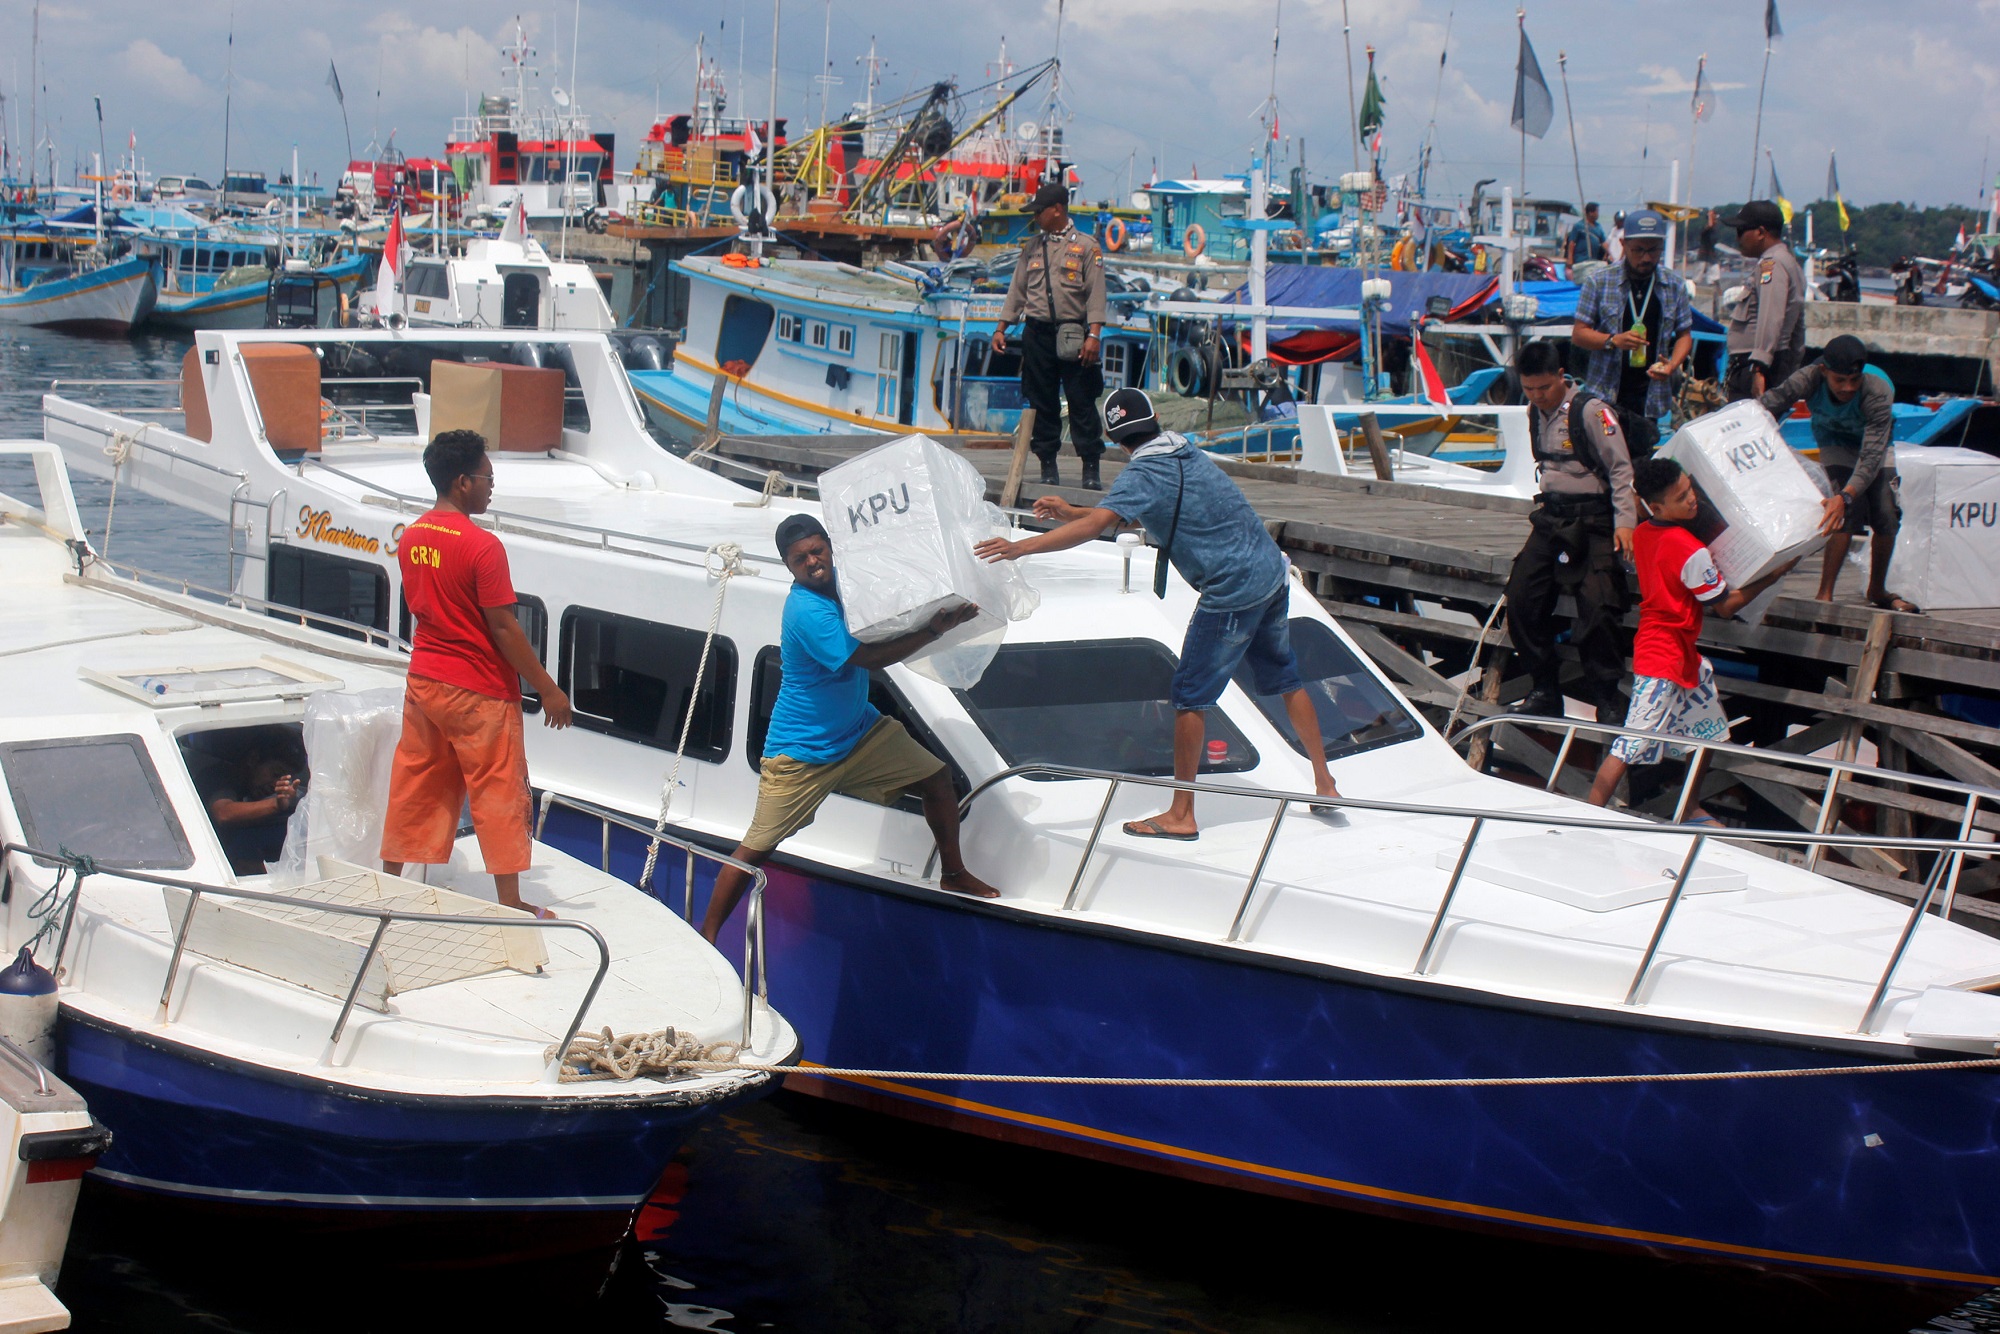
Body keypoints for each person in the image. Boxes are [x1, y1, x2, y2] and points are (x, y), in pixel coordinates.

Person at [975, 388, 1343, 840]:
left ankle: (1182, 814)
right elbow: (1138, 510)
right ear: (1154, 420)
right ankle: (1325, 784)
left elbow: (1098, 526)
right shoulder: (1185, 452)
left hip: (1231, 590)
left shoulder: (1142, 471)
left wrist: (1020, 547)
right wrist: (1071, 511)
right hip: (1269, 572)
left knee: (1190, 696)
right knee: (1285, 679)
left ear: (1112, 437)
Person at [700, 514, 998, 943]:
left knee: (936, 778)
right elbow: (868, 659)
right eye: (801, 558)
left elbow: (896, 584)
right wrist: (933, 630)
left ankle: (953, 872)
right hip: (802, 751)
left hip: (858, 730)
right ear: (788, 566)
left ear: (830, 548)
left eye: (818, 550)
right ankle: (707, 934)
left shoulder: (846, 582)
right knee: (757, 849)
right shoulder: (805, 609)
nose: (813, 561)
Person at [381, 430, 573, 917]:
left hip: (425, 681)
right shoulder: (482, 547)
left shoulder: (413, 536)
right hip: (479, 691)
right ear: (463, 481)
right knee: (497, 792)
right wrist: (549, 690)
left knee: (416, 783)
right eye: (488, 477)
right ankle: (510, 904)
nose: (492, 486)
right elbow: (504, 628)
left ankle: (385, 885)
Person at [1587, 458, 1798, 814]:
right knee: (1631, 742)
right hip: (1662, 656)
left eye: (1690, 489)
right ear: (1657, 507)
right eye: (1681, 496)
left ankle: (1690, 807)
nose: (1692, 499)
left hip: (1680, 652)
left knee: (1711, 731)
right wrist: (1774, 574)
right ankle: (1588, 812)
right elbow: (1725, 606)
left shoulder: (1643, 533)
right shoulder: (1690, 550)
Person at [1502, 339, 1637, 724]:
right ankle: (1544, 687)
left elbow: (1621, 471)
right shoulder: (1534, 412)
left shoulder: (1592, 412)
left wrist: (1625, 523)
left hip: (1594, 520)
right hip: (1552, 519)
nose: (1537, 396)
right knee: (1522, 598)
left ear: (1561, 377)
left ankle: (1607, 696)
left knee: (1598, 606)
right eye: (1529, 389)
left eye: (1543, 388)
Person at [1758, 334, 1919, 612]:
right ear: (1824, 372)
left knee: (1885, 511)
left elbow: (1870, 458)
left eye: (1854, 381)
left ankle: (1877, 589)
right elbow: (1767, 404)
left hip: (1873, 445)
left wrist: (1844, 495)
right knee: (1844, 514)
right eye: (1839, 380)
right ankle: (1825, 593)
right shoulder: (1808, 378)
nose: (1847, 388)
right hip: (1833, 439)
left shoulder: (1877, 391)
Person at [991, 181, 1109, 490]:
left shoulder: (1086, 246)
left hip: (1073, 333)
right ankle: (1047, 465)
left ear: (1057, 210)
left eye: (1039, 212)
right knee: (1041, 401)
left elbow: (1096, 295)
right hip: (1037, 334)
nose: (1036, 218)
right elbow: (1017, 291)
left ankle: (1091, 469)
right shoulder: (1032, 247)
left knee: (1081, 401)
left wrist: (1093, 335)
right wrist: (1002, 326)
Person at [1571, 207, 1693, 457]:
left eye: (1653, 250)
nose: (1646, 258)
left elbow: (1684, 335)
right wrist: (1613, 340)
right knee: (1602, 463)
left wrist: (1672, 366)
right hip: (1605, 396)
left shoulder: (1675, 286)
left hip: (1650, 399)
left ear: (1662, 247)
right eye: (1638, 250)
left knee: (1640, 463)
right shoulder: (1598, 281)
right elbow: (1579, 334)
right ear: (1624, 244)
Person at [194, 725, 308, 875]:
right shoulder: (217, 777)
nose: (275, 785)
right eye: (275, 773)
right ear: (253, 759)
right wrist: (276, 804)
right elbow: (223, 813)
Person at [1722, 200, 1806, 400]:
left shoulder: (1772, 265)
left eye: (1741, 230)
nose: (1737, 238)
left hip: (1758, 365)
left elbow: (1771, 316)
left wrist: (1759, 366)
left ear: (1760, 232)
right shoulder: (1787, 261)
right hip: (1768, 362)